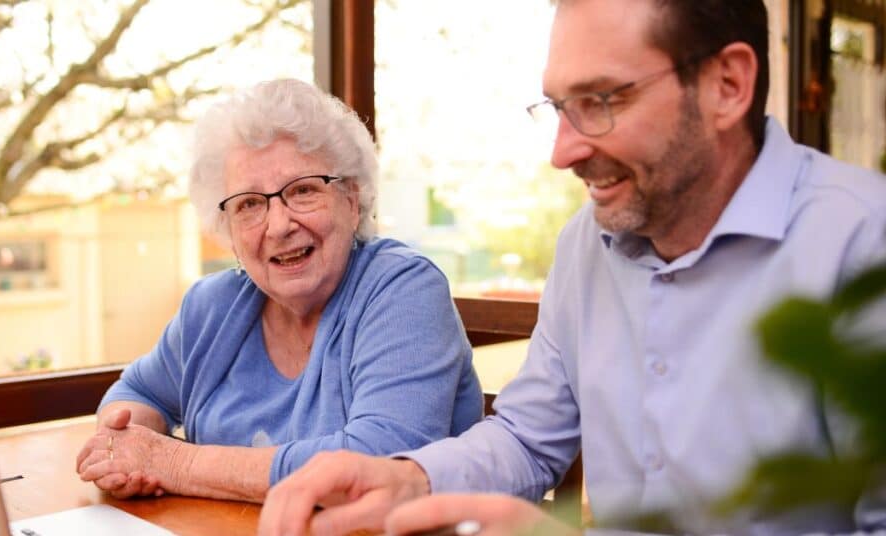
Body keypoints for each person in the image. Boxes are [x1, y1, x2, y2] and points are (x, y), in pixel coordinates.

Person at [258, 1, 886, 534]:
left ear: (727, 85)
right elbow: (529, 440)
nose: (563, 152)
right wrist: (410, 478)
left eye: (600, 101)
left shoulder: (864, 245)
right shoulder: (587, 243)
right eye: (559, 106)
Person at [74, 79, 483, 503]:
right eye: (249, 204)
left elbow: (379, 460)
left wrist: (172, 463)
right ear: (227, 229)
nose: (278, 224)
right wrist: (122, 449)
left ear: (352, 199)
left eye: (303, 190)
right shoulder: (212, 306)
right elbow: (136, 392)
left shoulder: (402, 291)